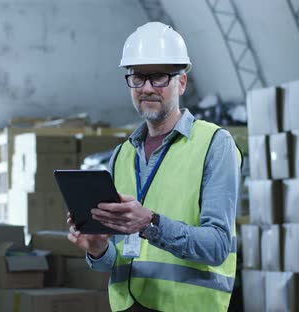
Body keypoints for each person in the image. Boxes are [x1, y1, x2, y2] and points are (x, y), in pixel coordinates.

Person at [67, 22, 241, 311]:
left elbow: (218, 246)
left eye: (159, 77)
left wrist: (150, 223)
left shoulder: (214, 144)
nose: (147, 88)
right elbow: (117, 261)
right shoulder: (121, 156)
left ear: (181, 82)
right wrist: (98, 249)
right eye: (137, 77)